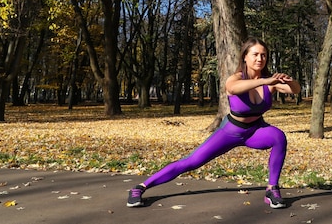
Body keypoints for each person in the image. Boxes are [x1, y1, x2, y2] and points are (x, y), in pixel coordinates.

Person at [126, 37, 301, 209]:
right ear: (245, 57)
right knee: (191, 161)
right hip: (231, 131)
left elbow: (295, 90)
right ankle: (140, 187)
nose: (259, 59)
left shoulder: (271, 82)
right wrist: (264, 80)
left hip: (255, 131)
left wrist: (289, 81)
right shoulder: (236, 78)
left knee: (278, 137)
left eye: (263, 55)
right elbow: (232, 88)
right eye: (255, 54)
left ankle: (272, 190)